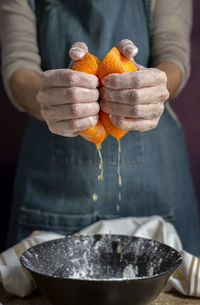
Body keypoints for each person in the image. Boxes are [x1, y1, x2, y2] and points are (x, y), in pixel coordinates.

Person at [1, 0, 200, 255]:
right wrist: (45, 96)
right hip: (51, 188)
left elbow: (173, 56)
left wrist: (154, 87)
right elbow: (18, 65)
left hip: (153, 181)